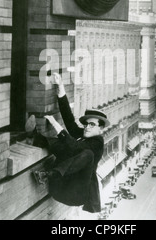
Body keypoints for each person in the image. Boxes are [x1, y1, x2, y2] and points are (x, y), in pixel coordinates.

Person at [32, 73, 110, 213]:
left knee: (87, 154)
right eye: (86, 124)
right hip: (59, 187)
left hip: (75, 195)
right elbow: (70, 123)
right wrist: (61, 89)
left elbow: (75, 146)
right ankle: (35, 138)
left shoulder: (97, 144)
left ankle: (46, 174)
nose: (87, 127)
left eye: (92, 125)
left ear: (101, 129)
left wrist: (55, 124)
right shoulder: (86, 135)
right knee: (66, 145)